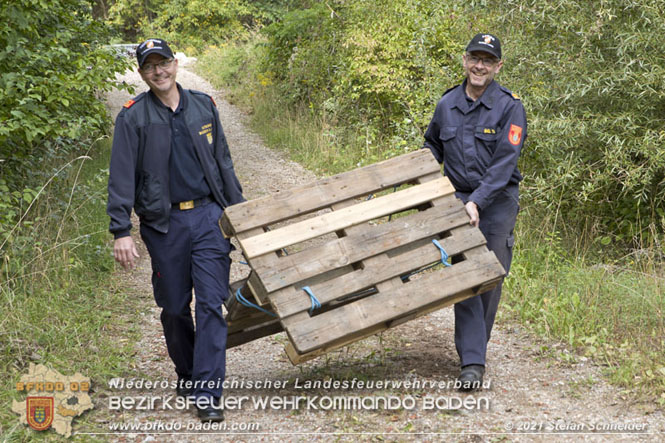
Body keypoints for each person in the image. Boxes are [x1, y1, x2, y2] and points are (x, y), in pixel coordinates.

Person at [107, 38, 245, 421]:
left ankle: (208, 391)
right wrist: (121, 230)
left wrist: (242, 215)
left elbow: (224, 164)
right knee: (173, 307)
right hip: (163, 225)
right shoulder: (133, 117)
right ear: (141, 73)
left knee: (212, 305)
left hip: (207, 218)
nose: (159, 71)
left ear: (175, 63)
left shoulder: (204, 106)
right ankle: (187, 372)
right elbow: (120, 178)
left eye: (163, 63)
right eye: (150, 66)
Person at [423, 33, 526, 390]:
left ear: (498, 66)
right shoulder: (447, 103)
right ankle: (472, 363)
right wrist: (418, 182)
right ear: (465, 61)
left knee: (490, 278)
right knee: (466, 278)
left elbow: (504, 163)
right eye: (474, 58)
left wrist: (476, 202)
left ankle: (474, 351)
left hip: (496, 203)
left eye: (487, 60)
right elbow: (431, 146)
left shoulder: (510, 107)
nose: (479, 66)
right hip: (456, 201)